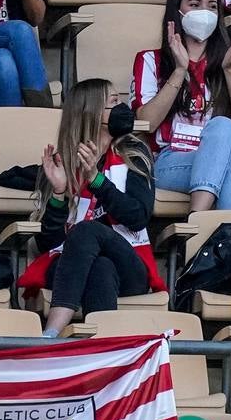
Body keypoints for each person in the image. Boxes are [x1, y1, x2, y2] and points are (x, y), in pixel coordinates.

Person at [17, 79, 165, 336]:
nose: (123, 107)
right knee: (100, 268)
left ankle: (50, 334)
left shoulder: (134, 153)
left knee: (87, 231)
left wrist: (97, 180)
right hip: (70, 266)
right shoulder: (60, 162)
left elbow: (138, 216)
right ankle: (100, 355)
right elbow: (49, 242)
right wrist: (59, 193)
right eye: (113, 102)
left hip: (129, 262)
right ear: (93, 112)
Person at [131, 0, 231, 211]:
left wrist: (229, 69)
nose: (205, 12)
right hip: (171, 160)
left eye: (212, 7)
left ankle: (196, 219)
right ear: (177, 11)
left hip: (223, 152)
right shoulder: (151, 60)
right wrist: (180, 70)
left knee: (223, 127)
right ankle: (221, 241)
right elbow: (147, 123)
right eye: (194, 5)